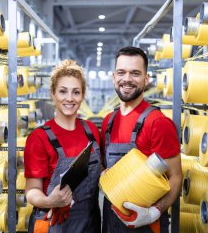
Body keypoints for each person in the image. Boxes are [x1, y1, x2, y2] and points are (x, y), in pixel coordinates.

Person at [101, 46, 182, 233]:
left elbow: (175, 176)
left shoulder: (158, 123)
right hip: (111, 222)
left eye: (135, 73)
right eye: (121, 72)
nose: (127, 79)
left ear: (146, 79)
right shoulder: (108, 122)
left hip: (146, 225)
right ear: (114, 77)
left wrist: (154, 212)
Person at [25, 60, 102, 233]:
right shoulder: (39, 137)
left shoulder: (91, 131)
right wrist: (50, 202)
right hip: (53, 223)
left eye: (76, 92)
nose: (69, 98)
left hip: (89, 223)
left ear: (82, 96)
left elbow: (101, 171)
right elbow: (32, 191)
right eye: (62, 91)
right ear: (52, 94)